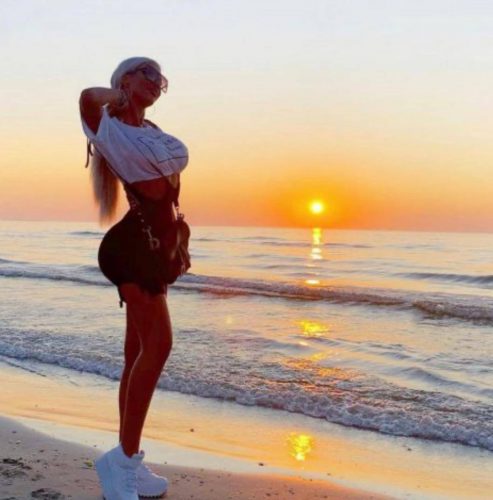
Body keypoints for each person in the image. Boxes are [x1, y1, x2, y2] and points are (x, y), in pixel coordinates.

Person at [79, 56, 189, 500]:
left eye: (161, 77)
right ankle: (121, 464)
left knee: (136, 354)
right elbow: (88, 98)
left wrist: (176, 246)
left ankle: (129, 456)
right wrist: (118, 99)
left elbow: (167, 202)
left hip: (152, 250)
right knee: (159, 346)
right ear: (124, 79)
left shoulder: (152, 134)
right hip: (131, 251)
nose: (157, 81)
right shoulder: (110, 129)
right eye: (147, 72)